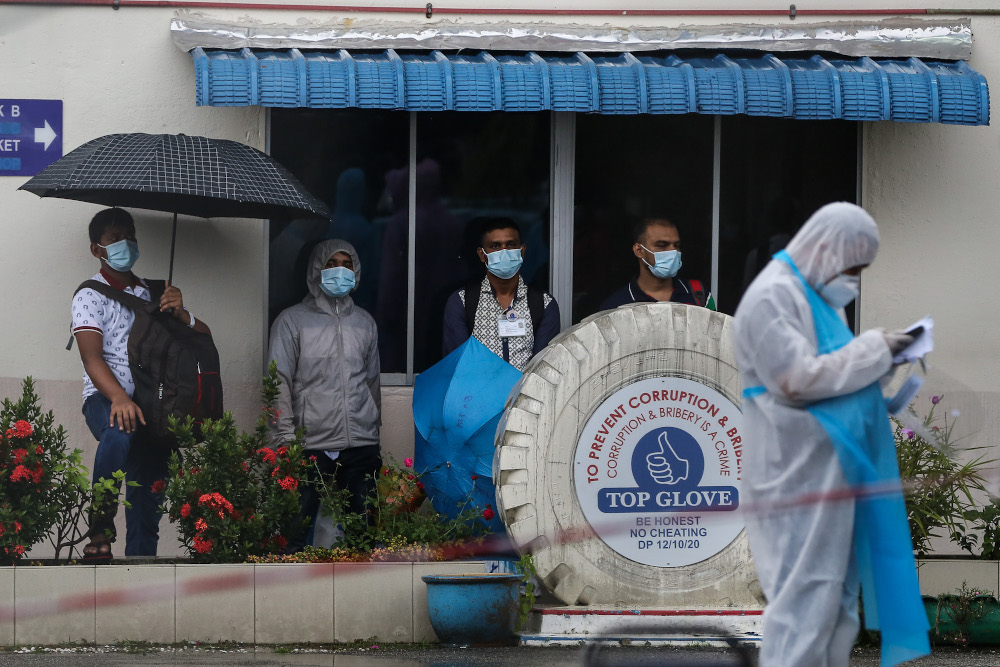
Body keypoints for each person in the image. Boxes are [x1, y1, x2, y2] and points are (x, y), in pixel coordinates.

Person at [733, 202, 929, 667]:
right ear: (826, 249)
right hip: (793, 473)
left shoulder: (815, 298)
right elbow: (797, 380)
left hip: (830, 469)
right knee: (804, 605)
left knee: (837, 604)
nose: (853, 278)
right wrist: (874, 348)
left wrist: (885, 357)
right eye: (852, 266)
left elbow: (839, 373)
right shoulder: (771, 298)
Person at [72, 208, 212, 560]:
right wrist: (119, 398)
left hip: (155, 404)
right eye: (114, 238)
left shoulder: (156, 293)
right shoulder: (89, 295)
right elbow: (91, 358)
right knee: (117, 433)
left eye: (129, 236)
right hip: (106, 398)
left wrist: (182, 313)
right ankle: (100, 528)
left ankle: (139, 572)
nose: (125, 244)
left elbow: (203, 342)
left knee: (147, 501)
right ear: (96, 249)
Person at [268, 239, 382, 551]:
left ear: (356, 270)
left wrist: (373, 429)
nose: (340, 271)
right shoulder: (291, 321)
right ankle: (288, 594)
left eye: (347, 264)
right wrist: (285, 440)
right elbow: (277, 382)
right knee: (294, 532)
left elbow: (372, 382)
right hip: (308, 444)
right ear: (316, 269)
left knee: (362, 534)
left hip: (360, 444)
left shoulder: (364, 323)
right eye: (332, 264)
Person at [442, 217, 560, 371]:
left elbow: (543, 369)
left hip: (526, 394)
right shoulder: (462, 302)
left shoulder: (544, 304)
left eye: (510, 245)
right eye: (495, 246)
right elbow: (459, 366)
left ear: (522, 251)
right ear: (482, 254)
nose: (504, 252)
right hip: (478, 394)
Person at [599, 216, 715, 311]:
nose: (673, 251)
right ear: (639, 251)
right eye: (662, 245)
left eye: (677, 245)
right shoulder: (616, 305)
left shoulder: (699, 293)